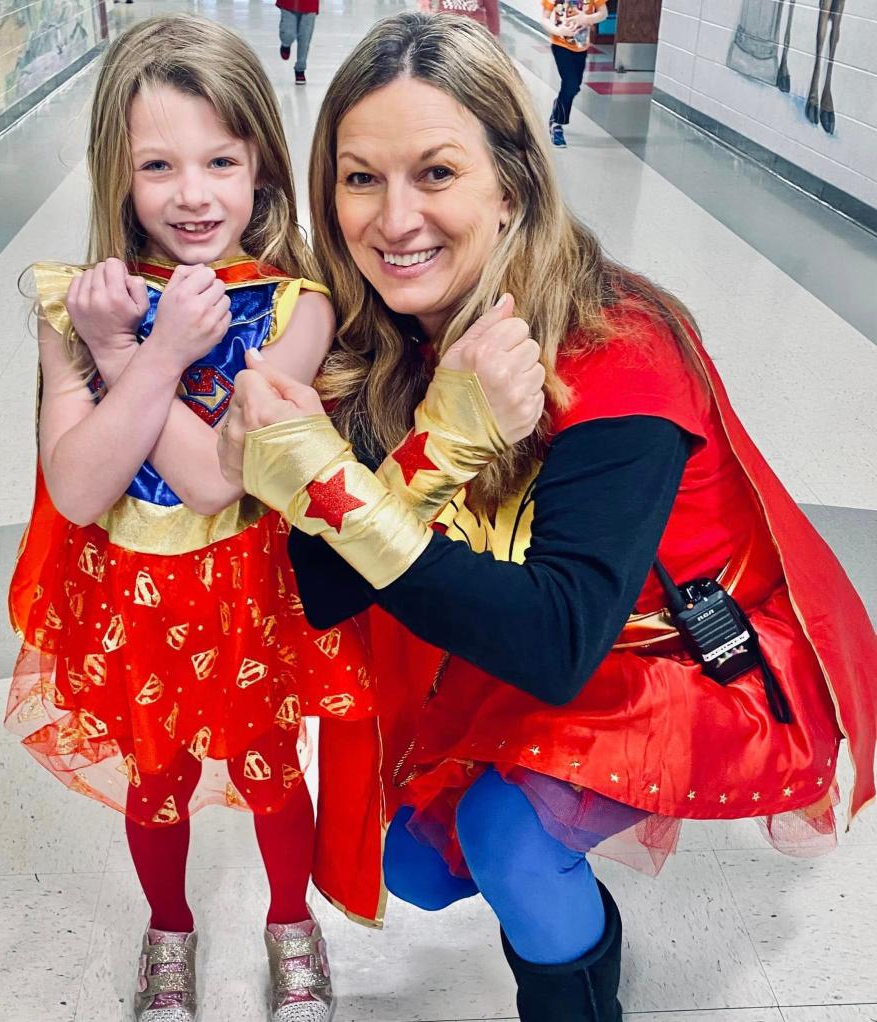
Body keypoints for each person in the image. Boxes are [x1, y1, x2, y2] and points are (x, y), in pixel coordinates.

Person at [217, 13, 877, 1021]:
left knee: (508, 835)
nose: (394, 220)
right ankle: (584, 928)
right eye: (361, 178)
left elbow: (560, 640)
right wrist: (435, 437)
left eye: (436, 172)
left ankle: (575, 993)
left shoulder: (621, 347)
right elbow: (324, 585)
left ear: (512, 181)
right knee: (418, 865)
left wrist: (387, 467)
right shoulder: (389, 339)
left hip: (689, 653)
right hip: (540, 629)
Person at [5, 15, 378, 1022]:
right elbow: (80, 488)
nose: (194, 192)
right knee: (155, 775)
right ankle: (168, 926)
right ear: (116, 174)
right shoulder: (76, 307)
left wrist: (135, 357)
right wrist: (132, 344)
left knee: (271, 771)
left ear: (261, 158)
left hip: (251, 593)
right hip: (135, 600)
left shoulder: (298, 307)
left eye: (221, 157)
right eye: (158, 164)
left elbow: (218, 481)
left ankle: (290, 922)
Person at [541, 0, 607, 146]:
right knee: (570, 84)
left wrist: (588, 19)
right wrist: (559, 31)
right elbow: (544, 18)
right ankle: (557, 123)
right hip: (560, 45)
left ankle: (558, 104)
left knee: (574, 86)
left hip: (581, 47)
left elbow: (604, 13)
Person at [277, 0, 319, 85]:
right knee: (288, 33)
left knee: (305, 37)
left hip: (310, 4)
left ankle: (300, 69)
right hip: (288, 3)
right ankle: (286, 44)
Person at [422, 0, 502, 37]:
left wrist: (494, 34)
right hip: (445, 24)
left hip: (472, 28)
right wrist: (426, 9)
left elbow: (492, 12)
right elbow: (424, 4)